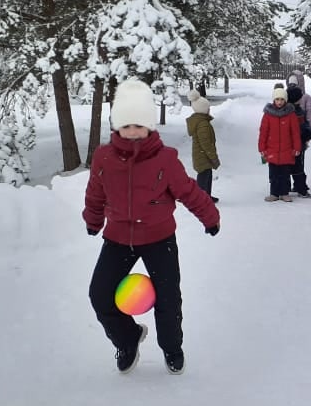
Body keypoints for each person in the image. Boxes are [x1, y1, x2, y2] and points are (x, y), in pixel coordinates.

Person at [83, 78, 220, 375]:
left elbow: (188, 191)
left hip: (159, 237)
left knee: (168, 299)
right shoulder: (103, 158)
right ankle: (127, 337)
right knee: (99, 294)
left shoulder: (164, 159)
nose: (133, 131)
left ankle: (172, 348)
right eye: (127, 125)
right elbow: (95, 193)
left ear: (149, 126)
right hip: (118, 238)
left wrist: (210, 217)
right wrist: (93, 221)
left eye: (139, 124)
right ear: (117, 125)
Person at [259, 86, 302, 202]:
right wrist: (262, 147)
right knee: (273, 174)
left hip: (286, 150)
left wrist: (297, 147)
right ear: (274, 100)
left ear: (285, 100)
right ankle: (274, 193)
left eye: (282, 99)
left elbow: (295, 133)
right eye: (277, 99)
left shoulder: (291, 115)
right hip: (272, 150)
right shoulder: (268, 115)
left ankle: (284, 193)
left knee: (285, 173)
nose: (279, 102)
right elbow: (263, 132)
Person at [186, 89, 220, 203]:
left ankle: (206, 196)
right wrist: (213, 157)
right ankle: (199, 198)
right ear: (203, 110)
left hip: (202, 155)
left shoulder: (202, 122)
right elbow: (205, 143)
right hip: (203, 155)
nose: (209, 110)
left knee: (208, 175)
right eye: (208, 108)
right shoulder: (202, 124)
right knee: (203, 176)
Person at [286, 72, 311, 197]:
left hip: (300, 140)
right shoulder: (285, 103)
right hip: (290, 141)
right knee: (291, 164)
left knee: (298, 163)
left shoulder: (306, 98)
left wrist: (308, 135)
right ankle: (293, 185)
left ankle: (299, 185)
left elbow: (310, 116)